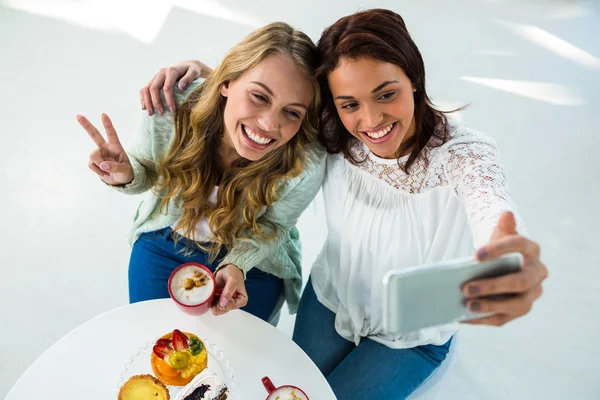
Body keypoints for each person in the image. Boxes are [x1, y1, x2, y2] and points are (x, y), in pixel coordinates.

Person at [142, 9, 548, 399]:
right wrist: (204, 74)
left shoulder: (466, 156)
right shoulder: (336, 133)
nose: (370, 121)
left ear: (415, 81)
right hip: (331, 300)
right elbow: (271, 96)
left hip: (413, 331)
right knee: (286, 389)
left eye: (386, 94)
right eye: (350, 103)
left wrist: (509, 255)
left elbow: (491, 206)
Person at [77, 22, 326, 322]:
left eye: (292, 112)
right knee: (153, 338)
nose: (270, 125)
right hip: (164, 241)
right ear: (226, 82)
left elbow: (275, 225)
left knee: (236, 358)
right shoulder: (171, 105)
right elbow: (148, 170)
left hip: (254, 261)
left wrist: (237, 264)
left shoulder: (306, 160)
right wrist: (127, 174)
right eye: (259, 96)